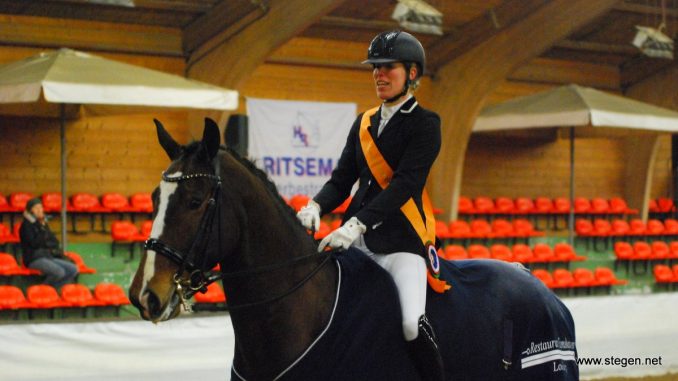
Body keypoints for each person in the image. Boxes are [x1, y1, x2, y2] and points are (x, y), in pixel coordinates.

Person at [297, 30, 444, 381]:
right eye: (375, 67)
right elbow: (341, 179)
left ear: (411, 73)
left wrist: (356, 224)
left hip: (401, 243)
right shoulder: (364, 122)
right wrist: (317, 205)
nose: (378, 74)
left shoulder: (426, 124)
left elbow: (406, 185)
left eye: (387, 67)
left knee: (410, 322)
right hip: (356, 243)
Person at [19, 197, 78, 289]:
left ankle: (52, 289)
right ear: (30, 211)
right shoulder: (26, 226)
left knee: (73, 269)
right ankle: (42, 290)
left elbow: (54, 241)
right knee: (59, 272)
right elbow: (35, 243)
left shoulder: (43, 224)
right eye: (36, 208)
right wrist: (42, 230)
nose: (39, 210)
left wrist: (45, 234)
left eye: (41, 207)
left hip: (47, 256)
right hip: (33, 259)